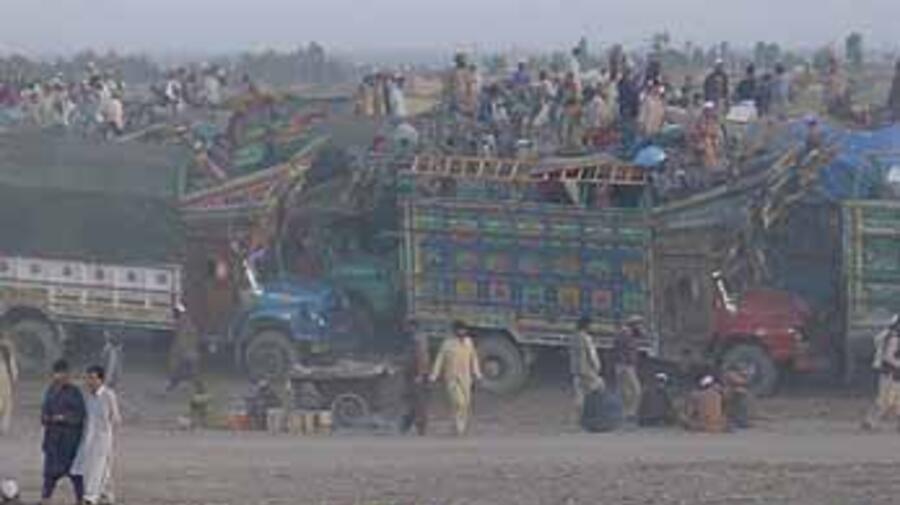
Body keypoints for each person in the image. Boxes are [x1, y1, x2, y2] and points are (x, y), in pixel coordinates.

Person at [72, 365, 122, 505]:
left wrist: (108, 433)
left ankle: (90, 498)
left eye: (93, 378)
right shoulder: (88, 397)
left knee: (97, 468)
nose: (89, 381)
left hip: (102, 440)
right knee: (95, 470)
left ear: (101, 379)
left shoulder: (108, 395)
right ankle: (106, 496)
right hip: (88, 439)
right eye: (88, 378)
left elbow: (116, 419)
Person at [41, 359, 86, 505]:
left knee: (75, 473)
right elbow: (44, 410)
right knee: (49, 474)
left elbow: (80, 415)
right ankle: (45, 499)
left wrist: (63, 418)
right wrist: (45, 417)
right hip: (52, 440)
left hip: (69, 441)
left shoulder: (74, 392)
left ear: (67, 374)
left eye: (61, 373)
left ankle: (81, 500)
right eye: (56, 373)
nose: (58, 376)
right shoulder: (50, 389)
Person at [429, 321, 482, 436]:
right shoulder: (447, 343)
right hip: (451, 377)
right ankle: (459, 427)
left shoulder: (469, 342)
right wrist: (434, 375)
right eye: (459, 330)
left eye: (463, 330)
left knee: (466, 403)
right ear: (455, 331)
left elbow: (474, 359)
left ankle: (459, 426)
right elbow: (439, 360)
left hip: (466, 377)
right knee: (459, 402)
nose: (462, 332)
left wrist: (477, 374)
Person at [863, 315, 900, 431]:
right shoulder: (894, 338)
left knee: (894, 399)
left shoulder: (887, 335)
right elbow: (888, 357)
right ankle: (871, 421)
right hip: (890, 372)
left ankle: (871, 421)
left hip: (891, 372)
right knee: (886, 400)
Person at [399, 321, 430, 436]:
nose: (405, 328)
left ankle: (419, 427)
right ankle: (406, 426)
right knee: (412, 401)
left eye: (407, 326)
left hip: (416, 375)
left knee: (418, 402)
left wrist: (420, 374)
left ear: (413, 327)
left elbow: (422, 358)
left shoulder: (417, 340)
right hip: (411, 374)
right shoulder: (413, 339)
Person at [569, 317, 604, 417]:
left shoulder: (574, 337)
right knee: (600, 385)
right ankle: (596, 413)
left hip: (576, 370)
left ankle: (577, 417)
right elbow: (592, 354)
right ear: (586, 326)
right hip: (586, 370)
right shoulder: (586, 338)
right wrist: (597, 367)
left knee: (579, 394)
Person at [613, 316, 644, 421]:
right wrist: (624, 363)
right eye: (639, 324)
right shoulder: (625, 334)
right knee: (635, 390)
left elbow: (641, 335)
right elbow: (619, 350)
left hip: (626, 365)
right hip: (625, 366)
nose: (640, 326)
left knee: (626, 391)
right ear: (633, 324)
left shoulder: (629, 333)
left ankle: (626, 413)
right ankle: (629, 413)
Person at [167, 302, 201, 393]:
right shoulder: (186, 321)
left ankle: (171, 388)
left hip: (185, 353)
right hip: (189, 353)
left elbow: (182, 340)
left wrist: (179, 352)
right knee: (190, 373)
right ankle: (172, 387)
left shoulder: (182, 323)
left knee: (180, 371)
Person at [0, 333, 16, 436]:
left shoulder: (6, 348)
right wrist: (13, 379)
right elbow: (12, 367)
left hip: (4, 375)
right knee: (6, 403)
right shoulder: (7, 348)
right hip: (4, 375)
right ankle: (3, 427)